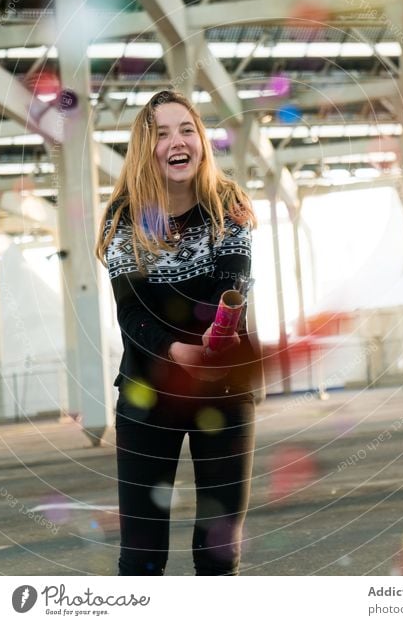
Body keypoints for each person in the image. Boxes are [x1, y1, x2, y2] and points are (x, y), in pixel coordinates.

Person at [95, 89, 262, 576]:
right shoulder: (124, 219)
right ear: (145, 151)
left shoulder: (228, 206)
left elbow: (230, 285)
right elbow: (133, 314)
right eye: (161, 133)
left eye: (186, 129)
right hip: (148, 395)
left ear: (202, 142)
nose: (177, 140)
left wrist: (214, 340)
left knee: (219, 555)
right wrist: (179, 352)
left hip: (224, 391)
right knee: (143, 555)